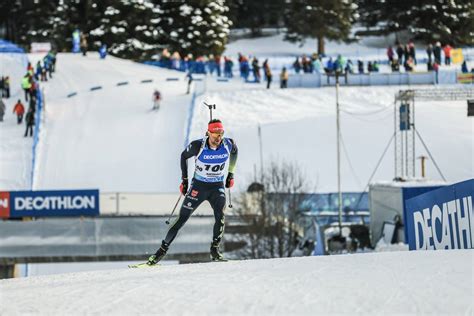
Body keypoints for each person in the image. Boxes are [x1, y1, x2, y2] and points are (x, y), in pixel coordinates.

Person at [147, 119, 238, 265]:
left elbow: (235, 151)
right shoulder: (198, 145)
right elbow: (183, 156)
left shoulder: (228, 144)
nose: (218, 138)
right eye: (215, 135)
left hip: (217, 187)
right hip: (199, 187)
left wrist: (230, 174)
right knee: (181, 219)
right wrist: (185, 180)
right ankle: (160, 252)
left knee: (220, 215)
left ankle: (215, 250)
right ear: (208, 133)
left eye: (220, 134)